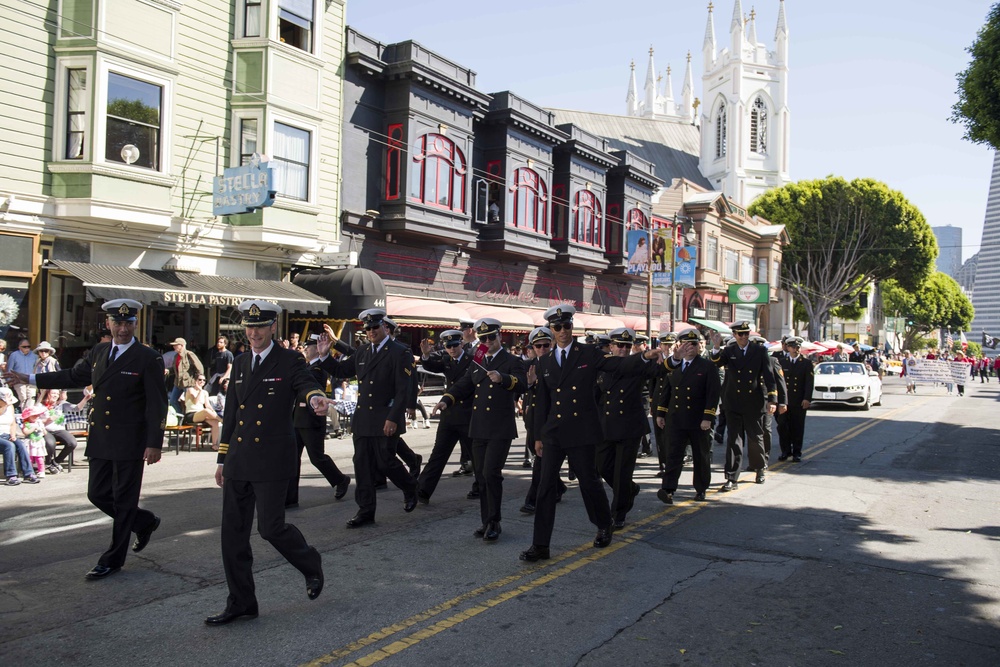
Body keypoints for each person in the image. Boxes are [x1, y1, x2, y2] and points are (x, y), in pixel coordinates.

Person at [7, 298, 168, 580]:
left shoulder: (147, 357)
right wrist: (28, 379)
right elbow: (72, 376)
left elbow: (157, 403)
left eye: (128, 323)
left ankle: (112, 559)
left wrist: (154, 442)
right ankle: (144, 521)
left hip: (131, 440)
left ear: (135, 324)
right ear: (108, 324)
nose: (122, 328)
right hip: (102, 438)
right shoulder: (99, 351)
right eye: (117, 323)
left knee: (124, 500)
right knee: (97, 494)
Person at [208, 300, 332, 625]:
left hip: (272, 459)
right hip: (238, 459)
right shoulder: (240, 360)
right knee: (232, 535)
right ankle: (241, 601)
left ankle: (310, 563)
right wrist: (222, 459)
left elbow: (305, 383)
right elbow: (232, 414)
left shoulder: (289, 359)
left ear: (273, 326)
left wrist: (314, 397)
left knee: (270, 528)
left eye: (260, 326)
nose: (254, 333)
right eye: (249, 327)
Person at [520, 305, 663, 562]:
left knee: (589, 483)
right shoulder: (544, 362)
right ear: (551, 331)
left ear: (572, 328)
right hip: (553, 433)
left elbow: (619, 365)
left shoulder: (588, 353)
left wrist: (643, 358)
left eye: (567, 326)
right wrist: (539, 436)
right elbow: (543, 401)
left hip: (581, 431)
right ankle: (540, 545)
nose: (563, 331)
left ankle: (603, 524)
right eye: (558, 327)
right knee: (544, 488)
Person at [316, 309, 418, 528]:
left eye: (375, 327)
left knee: (386, 462)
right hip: (364, 417)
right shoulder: (362, 351)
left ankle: (409, 487)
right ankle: (365, 510)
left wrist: (394, 417)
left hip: (385, 416)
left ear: (384, 327)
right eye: (368, 328)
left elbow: (403, 389)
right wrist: (324, 355)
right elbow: (343, 370)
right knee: (361, 464)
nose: (371, 332)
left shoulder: (400, 352)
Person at [433, 318, 525, 543]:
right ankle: (487, 521)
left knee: (491, 474)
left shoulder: (511, 360)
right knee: (482, 476)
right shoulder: (479, 359)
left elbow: (523, 384)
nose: (487, 341)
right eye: (483, 338)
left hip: (500, 428)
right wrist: (447, 399)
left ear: (499, 337)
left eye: (491, 337)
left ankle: (494, 521)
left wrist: (503, 378)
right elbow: (465, 383)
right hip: (479, 427)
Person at [596, 327, 663, 528]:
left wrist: (673, 359)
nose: (624, 349)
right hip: (606, 426)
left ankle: (618, 514)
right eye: (620, 345)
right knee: (602, 467)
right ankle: (630, 489)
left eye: (627, 346)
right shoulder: (602, 365)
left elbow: (659, 370)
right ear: (611, 346)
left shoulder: (640, 364)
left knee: (622, 473)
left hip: (629, 427)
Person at [708, 321, 777, 491]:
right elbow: (716, 362)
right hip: (733, 402)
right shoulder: (729, 351)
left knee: (755, 438)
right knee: (734, 440)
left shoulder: (759, 350)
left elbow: (769, 375)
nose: (744, 337)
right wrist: (716, 346)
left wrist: (772, 399)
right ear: (734, 335)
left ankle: (759, 468)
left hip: (754, 402)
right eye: (741, 334)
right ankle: (732, 477)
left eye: (746, 333)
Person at [284, 337, 351, 508]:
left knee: (317, 457)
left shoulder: (318, 368)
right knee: (291, 459)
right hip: (297, 419)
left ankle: (340, 479)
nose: (306, 349)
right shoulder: (306, 367)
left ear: (317, 348)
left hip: (311, 419)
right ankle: (290, 498)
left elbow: (308, 388)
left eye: (309, 347)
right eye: (305, 347)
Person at [655, 328, 721, 503]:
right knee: (673, 455)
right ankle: (668, 489)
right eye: (686, 344)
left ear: (699, 346)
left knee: (701, 455)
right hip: (676, 418)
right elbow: (666, 391)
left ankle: (701, 488)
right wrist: (661, 413)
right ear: (680, 345)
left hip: (698, 420)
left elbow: (713, 394)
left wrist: (708, 417)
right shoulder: (674, 365)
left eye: (694, 344)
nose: (690, 347)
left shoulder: (707, 366)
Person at [416, 330, 474, 504]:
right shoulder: (446, 360)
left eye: (455, 345)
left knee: (477, 456)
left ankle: (482, 486)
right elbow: (431, 366)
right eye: (448, 346)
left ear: (461, 344)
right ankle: (422, 491)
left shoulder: (471, 360)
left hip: (468, 414)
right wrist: (426, 355)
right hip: (449, 415)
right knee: (438, 454)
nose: (452, 349)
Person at [519, 327, 568, 514]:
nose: (542, 349)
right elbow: (519, 384)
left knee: (540, 462)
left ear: (552, 344)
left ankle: (533, 499)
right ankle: (559, 487)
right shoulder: (529, 365)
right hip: (532, 419)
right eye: (538, 346)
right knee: (541, 456)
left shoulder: (559, 364)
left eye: (546, 345)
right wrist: (530, 383)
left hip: (551, 420)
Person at [776, 337, 815, 462]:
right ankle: (785, 451)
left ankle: (797, 452)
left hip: (798, 401)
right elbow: (778, 382)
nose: (796, 350)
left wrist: (807, 398)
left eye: (798, 347)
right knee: (783, 426)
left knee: (797, 427)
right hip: (784, 401)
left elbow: (809, 383)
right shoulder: (782, 362)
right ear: (788, 348)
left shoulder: (806, 363)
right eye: (793, 347)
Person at [39, 387, 77, 473]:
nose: (55, 395)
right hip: (46, 430)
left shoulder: (60, 405)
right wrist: (47, 420)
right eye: (53, 393)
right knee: (50, 444)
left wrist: (86, 398)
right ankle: (48, 463)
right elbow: (34, 420)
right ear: (47, 394)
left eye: (57, 393)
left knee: (72, 443)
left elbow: (76, 408)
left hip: (59, 430)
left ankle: (55, 462)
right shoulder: (40, 405)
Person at [183, 374, 222, 450]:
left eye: (204, 380)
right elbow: (195, 401)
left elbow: (207, 405)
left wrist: (213, 412)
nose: (202, 381)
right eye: (200, 380)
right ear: (195, 381)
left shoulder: (205, 392)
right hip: (191, 414)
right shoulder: (190, 390)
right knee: (206, 411)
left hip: (202, 414)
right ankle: (222, 420)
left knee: (215, 423)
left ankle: (214, 445)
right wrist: (200, 391)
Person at [167, 337, 204, 415]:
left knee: (189, 402)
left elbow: (199, 368)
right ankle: (180, 416)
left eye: (176, 345)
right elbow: (175, 369)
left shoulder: (189, 354)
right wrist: (168, 370)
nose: (174, 347)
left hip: (188, 383)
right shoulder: (176, 356)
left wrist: (197, 381)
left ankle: (188, 418)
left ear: (182, 345)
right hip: (178, 383)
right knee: (173, 401)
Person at [7, 339, 38, 408]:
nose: (27, 348)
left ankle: (28, 414)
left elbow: (36, 368)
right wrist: (9, 381)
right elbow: (10, 369)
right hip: (19, 380)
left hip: (31, 379)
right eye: (24, 347)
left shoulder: (34, 355)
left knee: (31, 397)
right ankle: (24, 414)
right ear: (19, 347)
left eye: (28, 346)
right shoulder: (14, 355)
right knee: (23, 398)